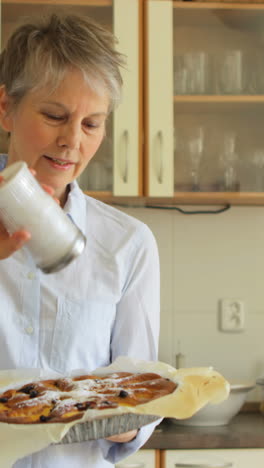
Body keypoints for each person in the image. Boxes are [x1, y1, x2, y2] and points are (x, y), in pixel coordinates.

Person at [0, 10, 160, 468]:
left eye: (92, 124)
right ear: (6, 108)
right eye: (55, 115)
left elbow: (141, 399)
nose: (72, 140)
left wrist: (113, 411)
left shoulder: (128, 244)